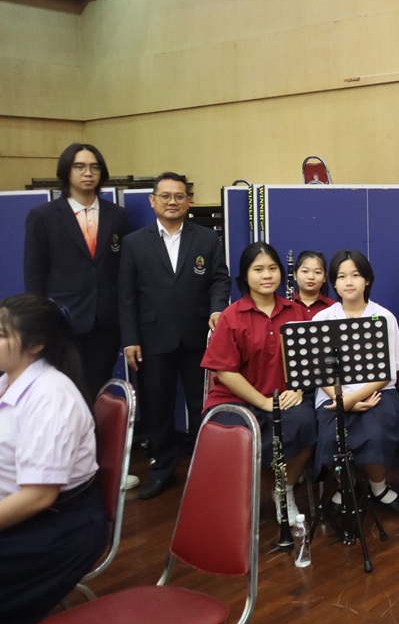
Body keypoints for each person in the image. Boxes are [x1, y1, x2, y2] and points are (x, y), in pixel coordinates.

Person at [118, 172, 230, 500]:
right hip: (151, 339)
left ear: (189, 202)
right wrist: (130, 338)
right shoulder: (134, 243)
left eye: (179, 196)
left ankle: (206, 469)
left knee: (201, 405)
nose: (172, 202)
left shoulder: (207, 238)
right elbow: (126, 295)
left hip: (198, 336)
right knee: (158, 407)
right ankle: (162, 470)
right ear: (152, 200)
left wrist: (218, 309)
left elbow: (219, 280)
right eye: (165, 196)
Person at [0, 295, 108, 624]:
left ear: (36, 345)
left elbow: (38, 496)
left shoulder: (50, 397)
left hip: (58, 527)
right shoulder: (7, 381)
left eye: (1, 334)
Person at [201, 242, 316, 523]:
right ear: (245, 275)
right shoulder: (231, 316)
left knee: (309, 423)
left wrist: (298, 388)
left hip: (284, 396)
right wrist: (263, 402)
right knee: (232, 433)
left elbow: (309, 359)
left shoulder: (296, 312)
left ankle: (284, 489)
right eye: (259, 269)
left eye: (273, 269)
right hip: (237, 399)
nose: (267, 275)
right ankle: (236, 499)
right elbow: (224, 372)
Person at [23, 143, 131, 406]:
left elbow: (124, 271)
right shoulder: (43, 216)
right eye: (80, 167)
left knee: (98, 390)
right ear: (66, 171)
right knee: (66, 392)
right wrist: (40, 322)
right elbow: (35, 273)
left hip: (106, 321)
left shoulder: (117, 215)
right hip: (63, 320)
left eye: (94, 167)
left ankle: (94, 434)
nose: (88, 173)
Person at [313, 250, 399, 513]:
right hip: (333, 395)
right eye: (341, 276)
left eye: (355, 275)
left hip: (377, 392)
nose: (349, 282)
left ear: (367, 280)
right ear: (334, 283)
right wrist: (341, 400)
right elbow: (319, 370)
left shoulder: (384, 317)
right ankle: (347, 486)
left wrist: (352, 400)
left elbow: (388, 371)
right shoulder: (322, 319)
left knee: (374, 432)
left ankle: (379, 488)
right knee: (332, 435)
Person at [291, 250, 334, 319]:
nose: (311, 277)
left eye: (317, 272)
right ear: (295, 275)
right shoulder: (286, 307)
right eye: (305, 271)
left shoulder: (333, 308)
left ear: (324, 277)